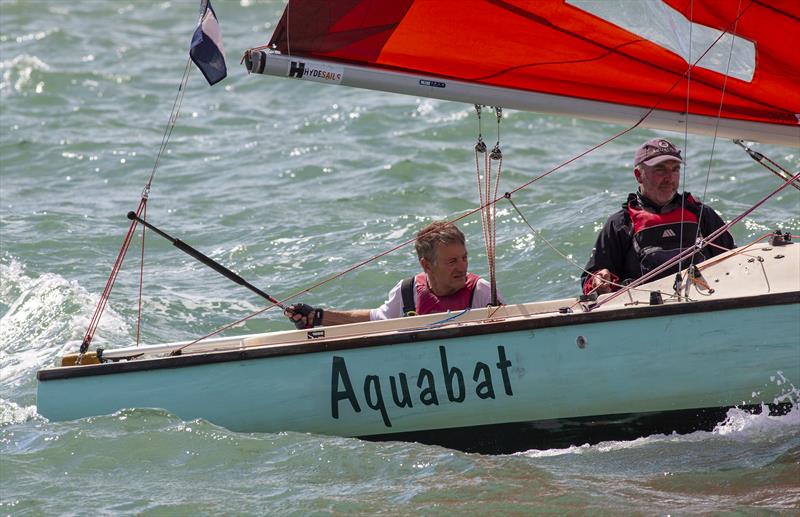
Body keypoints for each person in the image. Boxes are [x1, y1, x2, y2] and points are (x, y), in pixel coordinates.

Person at [581, 137, 735, 295]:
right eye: (660, 169)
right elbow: (589, 282)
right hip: (646, 309)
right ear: (638, 175)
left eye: (675, 169)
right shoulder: (621, 224)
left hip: (704, 300)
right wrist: (598, 280)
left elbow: (734, 262)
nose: (669, 178)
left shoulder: (701, 214)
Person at [285, 221, 504, 328]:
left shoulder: (481, 291)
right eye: (452, 261)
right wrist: (318, 317)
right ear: (426, 265)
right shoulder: (408, 292)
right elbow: (373, 320)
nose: (462, 267)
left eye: (464, 258)